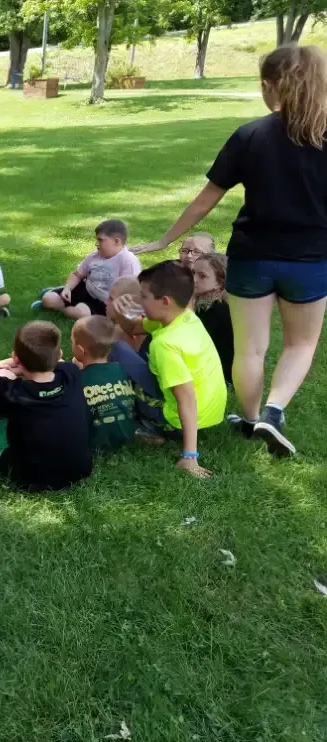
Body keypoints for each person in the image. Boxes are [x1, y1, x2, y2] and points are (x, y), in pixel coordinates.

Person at [132, 46, 327, 457]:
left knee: (250, 347)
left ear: (268, 86)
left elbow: (206, 200)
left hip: (252, 256)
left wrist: (166, 240)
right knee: (300, 344)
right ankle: (273, 412)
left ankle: (253, 417)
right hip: (310, 260)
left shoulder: (250, 135)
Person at [112, 261, 227, 478]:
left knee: (116, 351)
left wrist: (190, 456)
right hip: (208, 413)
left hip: (177, 421)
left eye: (144, 297)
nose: (140, 302)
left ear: (165, 301)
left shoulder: (166, 345)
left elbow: (186, 399)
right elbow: (133, 328)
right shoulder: (184, 317)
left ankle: (149, 425)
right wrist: (120, 312)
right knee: (120, 348)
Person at [0, 321, 93, 491]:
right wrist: (23, 364)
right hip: (78, 469)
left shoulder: (14, 393)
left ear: (16, 357)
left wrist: (10, 367)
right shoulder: (72, 374)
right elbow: (59, 362)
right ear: (59, 354)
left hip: (26, 476)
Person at [34, 219, 141, 320]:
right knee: (48, 299)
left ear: (116, 241)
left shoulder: (128, 262)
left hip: (102, 302)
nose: (96, 243)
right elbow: (77, 275)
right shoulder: (95, 256)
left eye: (100, 240)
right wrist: (67, 288)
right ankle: (52, 300)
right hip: (85, 290)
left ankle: (60, 309)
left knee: (80, 314)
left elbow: (129, 293)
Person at [71, 316, 137, 451]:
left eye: (71, 342)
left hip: (95, 442)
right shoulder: (122, 369)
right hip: (128, 434)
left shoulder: (76, 380)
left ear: (81, 350)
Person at [193, 252, 234, 383]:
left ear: (219, 283)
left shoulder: (215, 308)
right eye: (193, 273)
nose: (194, 279)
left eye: (202, 276)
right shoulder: (215, 303)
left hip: (218, 376)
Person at [106, 277, 148, 352]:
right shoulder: (143, 322)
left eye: (111, 299)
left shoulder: (121, 332)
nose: (106, 302)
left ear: (128, 304)